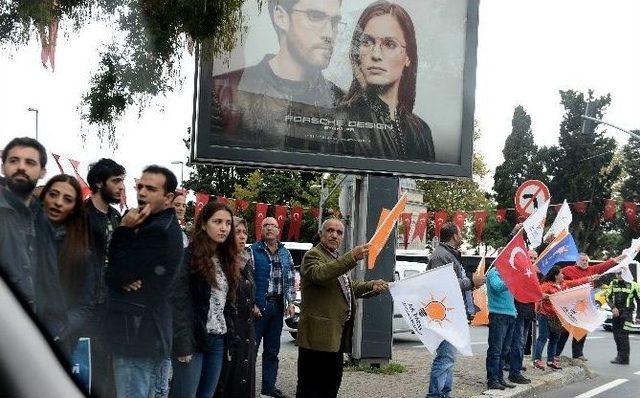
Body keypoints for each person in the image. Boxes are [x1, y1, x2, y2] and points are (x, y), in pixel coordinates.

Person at [211, 0, 344, 152]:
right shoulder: (224, 90)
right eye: (315, 16)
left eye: (335, 22)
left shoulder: (342, 102)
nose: (329, 34)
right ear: (281, 17)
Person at [104, 165, 183, 398]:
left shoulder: (157, 230)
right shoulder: (153, 223)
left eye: (151, 189)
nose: (142, 193)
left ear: (168, 197)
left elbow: (115, 273)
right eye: (140, 186)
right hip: (146, 333)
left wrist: (123, 230)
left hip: (137, 337)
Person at [295, 218, 388, 398]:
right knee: (311, 388)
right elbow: (321, 274)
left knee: (331, 385)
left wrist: (371, 286)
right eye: (330, 230)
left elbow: (348, 288)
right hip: (316, 338)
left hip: (334, 337)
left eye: (339, 232)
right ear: (320, 234)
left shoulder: (335, 258)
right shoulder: (313, 255)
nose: (334, 235)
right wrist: (352, 257)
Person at [334, 0, 435, 161]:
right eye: (367, 42)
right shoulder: (340, 120)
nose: (375, 54)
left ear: (408, 56)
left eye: (389, 44)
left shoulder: (421, 131)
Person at [0, 137, 67, 346]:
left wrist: (54, 325)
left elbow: (48, 276)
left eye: (30, 162)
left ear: (43, 171)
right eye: (14, 161)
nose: (21, 167)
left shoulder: (43, 219)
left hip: (33, 334)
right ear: (3, 167)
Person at [171, 202, 239, 398]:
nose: (224, 227)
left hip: (217, 339)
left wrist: (229, 338)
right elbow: (178, 302)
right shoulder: (188, 256)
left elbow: (228, 305)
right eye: (217, 221)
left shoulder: (228, 259)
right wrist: (182, 343)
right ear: (203, 224)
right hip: (192, 338)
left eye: (227, 223)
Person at [426, 222, 485, 398]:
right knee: (444, 358)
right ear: (454, 236)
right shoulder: (441, 256)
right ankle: (435, 396)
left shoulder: (448, 255)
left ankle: (444, 394)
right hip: (445, 315)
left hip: (451, 313)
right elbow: (441, 285)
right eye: (460, 233)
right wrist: (471, 282)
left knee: (449, 359)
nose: (462, 237)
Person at [40, 174, 96, 354]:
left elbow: (84, 304)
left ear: (74, 208)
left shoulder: (81, 253)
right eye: (53, 194)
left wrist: (59, 329)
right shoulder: (19, 233)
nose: (58, 202)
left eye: (67, 199)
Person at [85, 157, 126, 398]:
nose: (121, 186)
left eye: (122, 180)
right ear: (99, 183)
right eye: (116, 181)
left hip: (112, 306)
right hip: (88, 307)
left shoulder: (115, 216)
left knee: (109, 371)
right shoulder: (81, 215)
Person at [251, 216, 296, 398]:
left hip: (277, 307)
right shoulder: (253, 251)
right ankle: (245, 388)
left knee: (272, 351)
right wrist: (251, 303)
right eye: (266, 225)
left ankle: (268, 389)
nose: (269, 228)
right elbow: (247, 280)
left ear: (278, 230)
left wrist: (291, 302)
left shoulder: (285, 253)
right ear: (261, 230)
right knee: (250, 350)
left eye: (273, 225)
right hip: (258, 308)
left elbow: (291, 279)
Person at [215, 217, 257, 398]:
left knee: (244, 383)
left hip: (246, 331)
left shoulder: (246, 261)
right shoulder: (220, 263)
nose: (242, 237)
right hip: (229, 333)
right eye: (237, 232)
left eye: (245, 233)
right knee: (227, 383)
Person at [556, 253, 624, 361]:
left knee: (582, 329)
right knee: (565, 331)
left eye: (586, 261)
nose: (585, 262)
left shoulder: (591, 270)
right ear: (577, 261)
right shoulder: (567, 270)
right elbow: (560, 280)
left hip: (584, 305)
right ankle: (556, 354)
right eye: (582, 260)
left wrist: (618, 259)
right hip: (570, 304)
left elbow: (605, 265)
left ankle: (578, 354)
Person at [534, 266, 595, 370]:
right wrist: (543, 298)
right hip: (545, 315)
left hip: (558, 316)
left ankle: (551, 360)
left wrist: (590, 278)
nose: (563, 275)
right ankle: (537, 360)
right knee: (543, 337)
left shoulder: (564, 285)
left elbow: (577, 282)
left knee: (554, 339)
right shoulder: (546, 285)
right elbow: (538, 295)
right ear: (555, 275)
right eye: (561, 274)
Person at [504, 249, 537, 385]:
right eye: (531, 257)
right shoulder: (518, 271)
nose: (533, 260)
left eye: (535, 258)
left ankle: (515, 367)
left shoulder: (533, 273)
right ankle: (514, 373)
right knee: (517, 343)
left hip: (528, 313)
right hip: (518, 312)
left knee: (521, 343)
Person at [485, 265, 517, 390]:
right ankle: (492, 380)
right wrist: (514, 278)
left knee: (504, 351)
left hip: (510, 314)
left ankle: (499, 378)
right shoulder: (494, 272)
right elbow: (498, 287)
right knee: (496, 350)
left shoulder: (508, 273)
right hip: (498, 314)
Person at [604, 271, 640, 365]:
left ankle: (624, 359)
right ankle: (620, 356)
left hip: (627, 313)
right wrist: (613, 307)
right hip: (616, 313)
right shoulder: (613, 283)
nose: (618, 275)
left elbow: (639, 301)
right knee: (616, 336)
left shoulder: (634, 285)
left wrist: (638, 316)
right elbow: (607, 297)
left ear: (625, 273)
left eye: (620, 273)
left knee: (623, 335)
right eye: (617, 273)